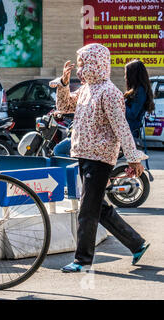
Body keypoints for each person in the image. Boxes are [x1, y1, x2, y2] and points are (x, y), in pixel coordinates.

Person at [51, 43, 150, 272]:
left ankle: (82, 261)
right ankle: (137, 243)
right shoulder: (86, 89)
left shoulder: (110, 92)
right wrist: (63, 85)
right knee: (98, 207)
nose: (81, 69)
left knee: (87, 210)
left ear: (97, 64)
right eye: (80, 63)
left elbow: (121, 127)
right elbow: (65, 106)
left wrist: (134, 159)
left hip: (100, 158)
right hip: (83, 155)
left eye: (85, 63)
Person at [124, 59, 155, 139]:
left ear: (133, 75)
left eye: (127, 74)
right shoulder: (136, 90)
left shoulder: (140, 91)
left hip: (131, 132)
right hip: (128, 131)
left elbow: (133, 114)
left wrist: (120, 103)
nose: (125, 77)